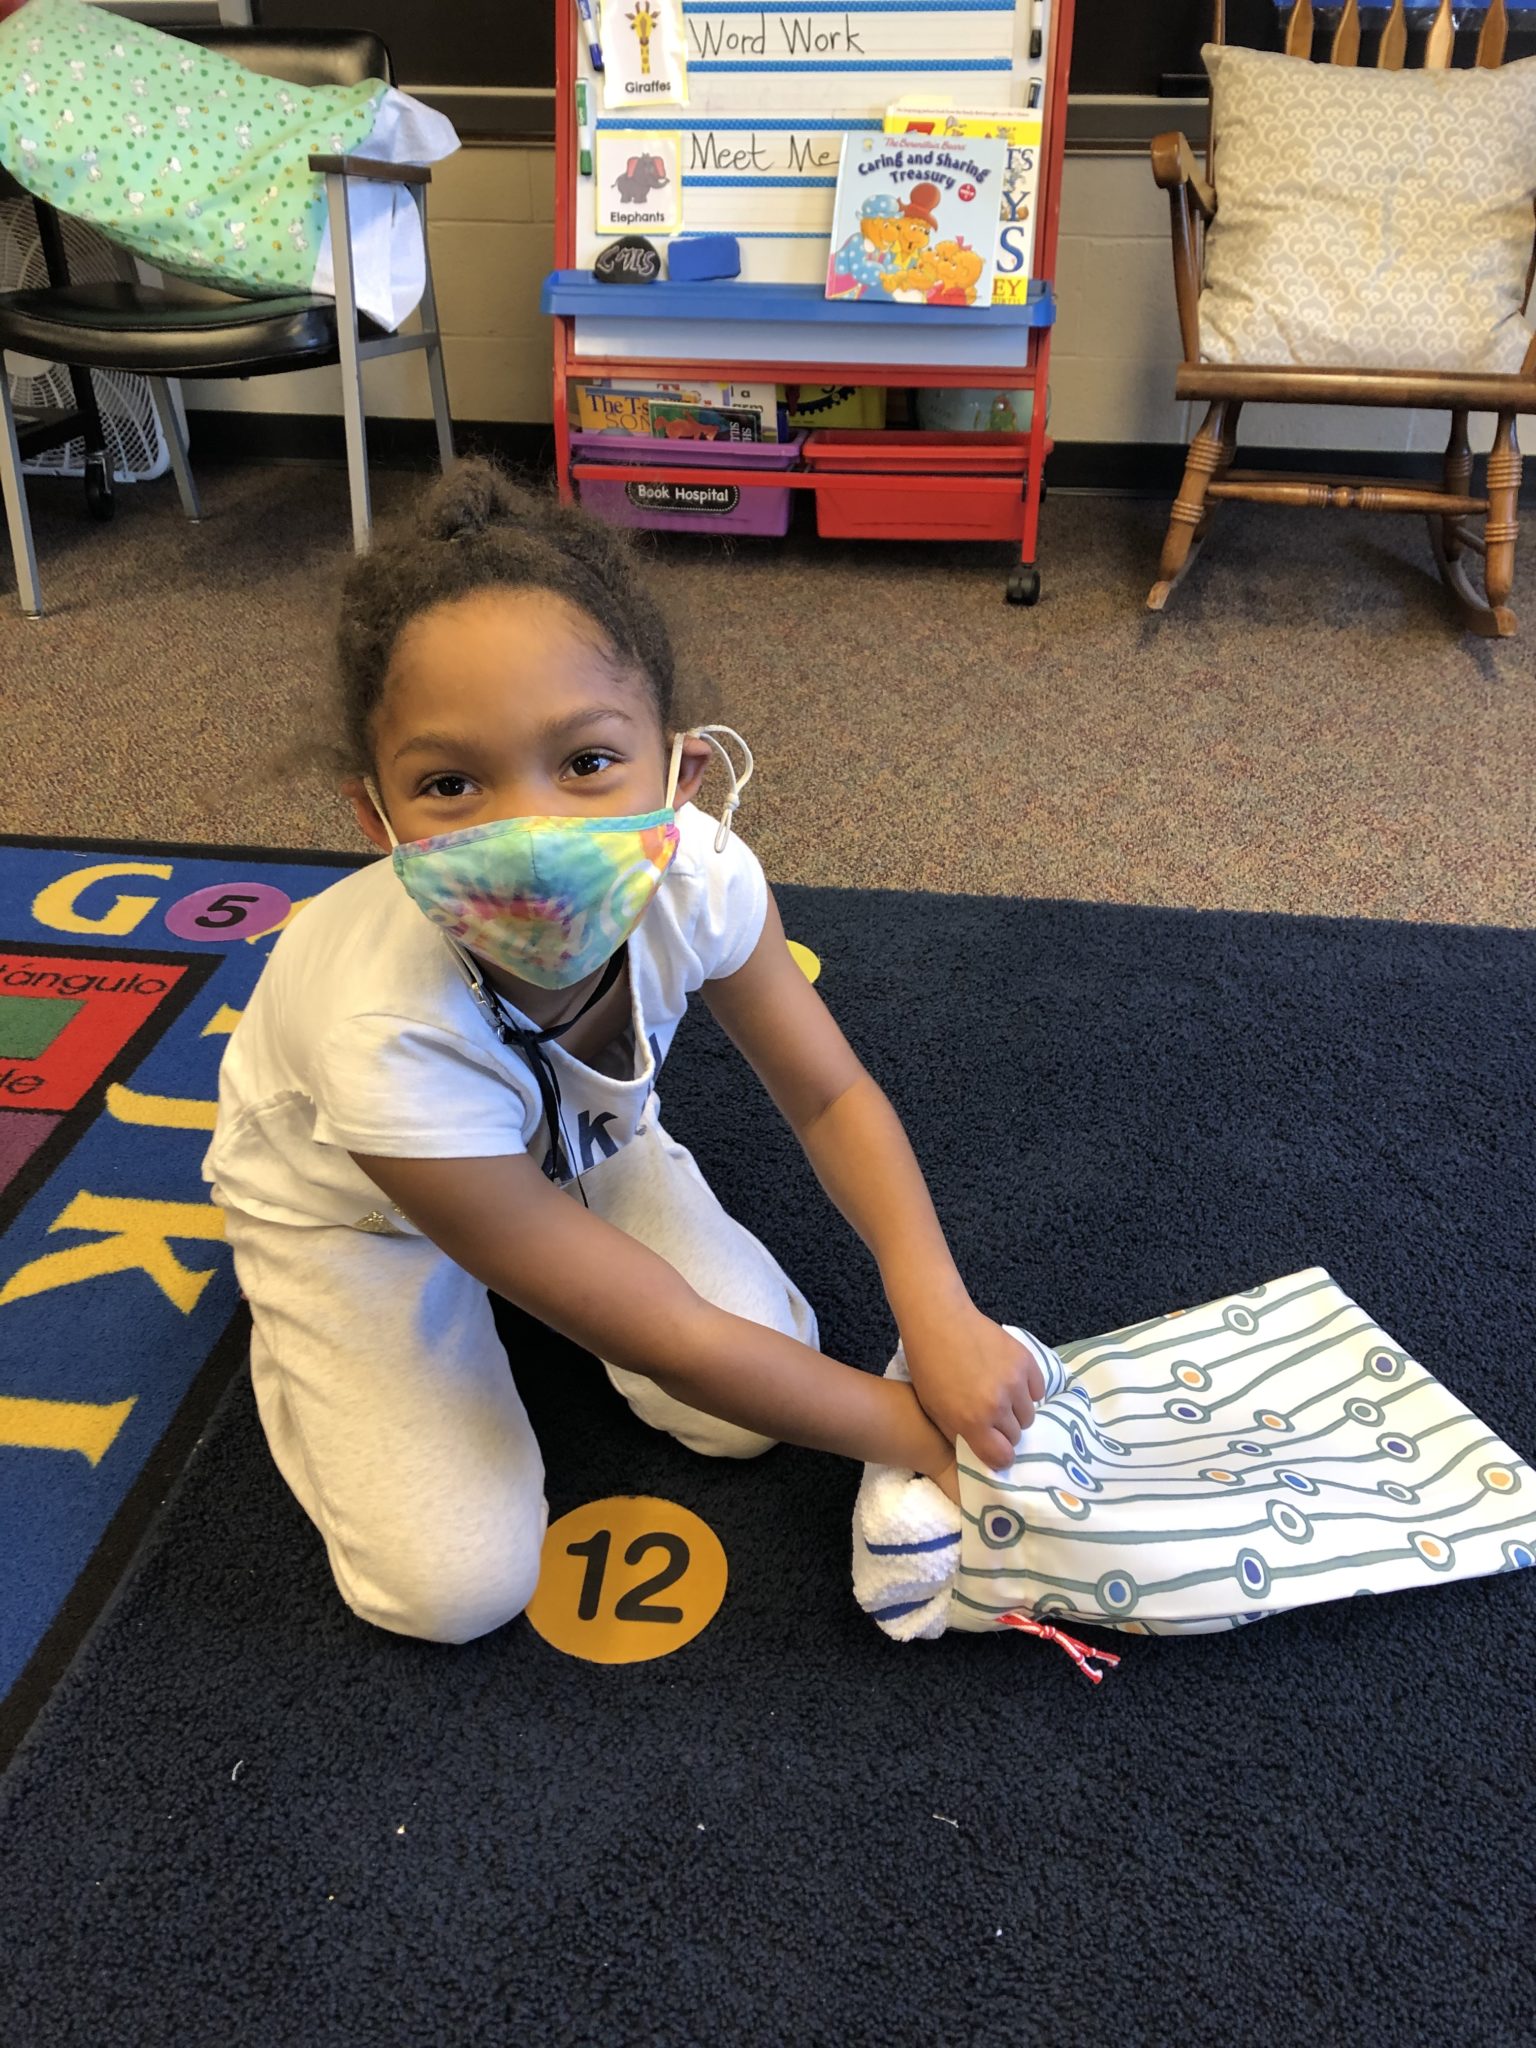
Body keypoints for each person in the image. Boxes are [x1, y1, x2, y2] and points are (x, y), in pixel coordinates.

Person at [203, 459, 1046, 1644]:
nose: (531, 827)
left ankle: (542, 1238)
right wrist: (917, 1430)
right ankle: (311, 1320)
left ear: (679, 772)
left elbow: (830, 1090)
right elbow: (666, 1331)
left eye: (587, 762)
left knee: (757, 1403)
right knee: (451, 1587)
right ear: (377, 820)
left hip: (579, 1144)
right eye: (452, 782)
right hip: (353, 1211)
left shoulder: (700, 873)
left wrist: (941, 1307)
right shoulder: (381, 1027)